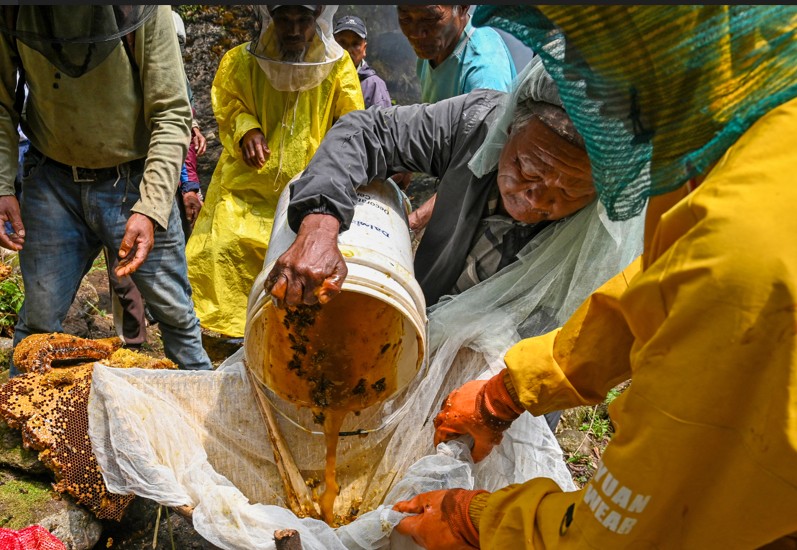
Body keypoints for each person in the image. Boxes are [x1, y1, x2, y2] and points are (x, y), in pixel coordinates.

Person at [391, 5, 797, 549]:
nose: (577, 85)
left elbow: (637, 526)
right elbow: (650, 285)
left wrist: (480, 520)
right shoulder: (743, 142)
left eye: (594, 63)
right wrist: (507, 393)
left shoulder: (744, 263)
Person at [263, 57, 645, 433]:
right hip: (416, 336)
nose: (534, 200)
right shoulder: (477, 123)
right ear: (510, 128)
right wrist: (318, 221)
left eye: (568, 191)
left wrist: (501, 403)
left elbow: (587, 346)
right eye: (527, 171)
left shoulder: (615, 234)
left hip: (512, 386)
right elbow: (364, 133)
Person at [0, 5, 213, 373]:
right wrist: (3, 185)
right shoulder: (14, 10)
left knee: (176, 316)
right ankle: (22, 419)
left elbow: (172, 113)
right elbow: (2, 104)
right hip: (51, 178)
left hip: (134, 179)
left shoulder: (145, 9)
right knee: (37, 323)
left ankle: (205, 419)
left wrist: (151, 206)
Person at [184, 4, 364, 340]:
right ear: (270, 20)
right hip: (244, 195)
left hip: (308, 199)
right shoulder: (240, 61)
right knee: (217, 251)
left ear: (318, 21)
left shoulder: (338, 66)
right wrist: (245, 129)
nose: (294, 31)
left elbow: (352, 126)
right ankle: (222, 346)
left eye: (303, 21)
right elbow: (229, 103)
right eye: (285, 20)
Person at [397, 5, 516, 104]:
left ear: (462, 8)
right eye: (405, 18)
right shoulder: (433, 45)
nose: (415, 33)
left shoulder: (484, 73)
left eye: (429, 18)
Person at [333, 15, 391, 109]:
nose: (347, 50)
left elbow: (383, 122)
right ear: (332, 45)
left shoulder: (374, 86)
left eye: (355, 44)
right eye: (342, 42)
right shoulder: (322, 78)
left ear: (364, 49)